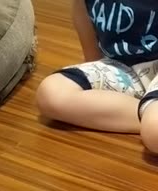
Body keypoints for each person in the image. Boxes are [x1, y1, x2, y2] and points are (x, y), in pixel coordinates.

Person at [36, 0, 158, 153]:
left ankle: (150, 120)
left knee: (154, 132)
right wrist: (93, 66)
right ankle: (146, 116)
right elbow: (82, 11)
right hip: (122, 68)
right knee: (51, 93)